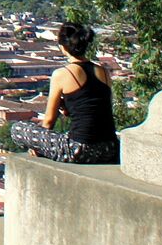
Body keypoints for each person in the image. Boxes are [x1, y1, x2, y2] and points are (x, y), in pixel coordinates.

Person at [8, 21, 119, 164]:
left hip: (79, 150)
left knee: (17, 129)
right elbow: (97, 110)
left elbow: (48, 122)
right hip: (109, 149)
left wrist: (39, 145)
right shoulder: (104, 72)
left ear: (62, 47)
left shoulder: (62, 74)